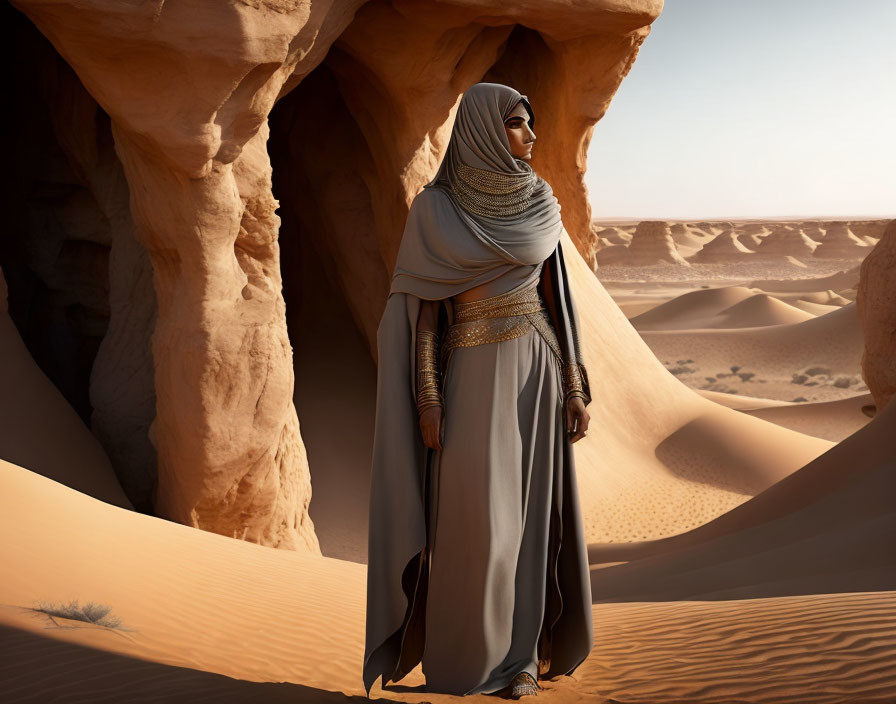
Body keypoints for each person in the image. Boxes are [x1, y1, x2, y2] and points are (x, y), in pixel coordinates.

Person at [363, 82, 594, 699]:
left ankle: (519, 664)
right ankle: (467, 662)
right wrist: (429, 399)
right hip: (469, 378)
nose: (532, 136)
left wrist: (574, 385)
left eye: (530, 124)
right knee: (474, 525)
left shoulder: (541, 200)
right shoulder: (434, 209)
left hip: (538, 375)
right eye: (519, 124)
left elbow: (558, 302)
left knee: (526, 526)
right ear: (485, 130)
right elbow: (424, 316)